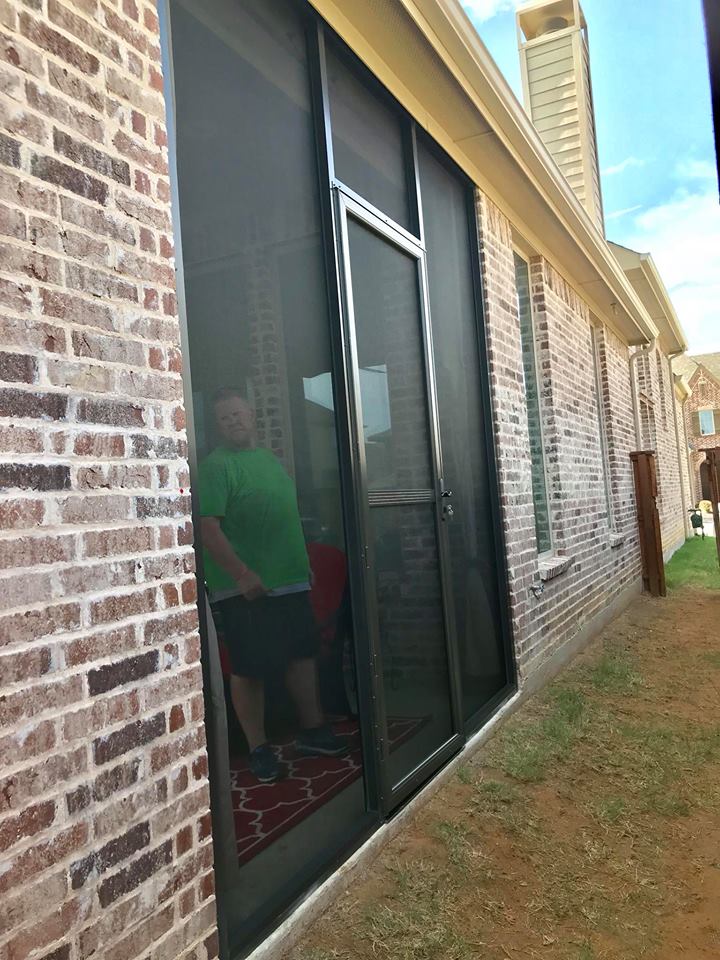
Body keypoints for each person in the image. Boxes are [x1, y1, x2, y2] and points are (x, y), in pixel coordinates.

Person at [199, 388, 348, 782]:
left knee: (302, 656)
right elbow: (208, 527)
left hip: (290, 581)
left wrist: (302, 565)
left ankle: (313, 732)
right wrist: (241, 573)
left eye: (238, 414)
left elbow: (285, 514)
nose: (233, 421)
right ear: (218, 427)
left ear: (251, 415)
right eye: (224, 418)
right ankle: (259, 749)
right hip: (247, 588)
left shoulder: (267, 460)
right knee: (250, 669)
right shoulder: (216, 467)